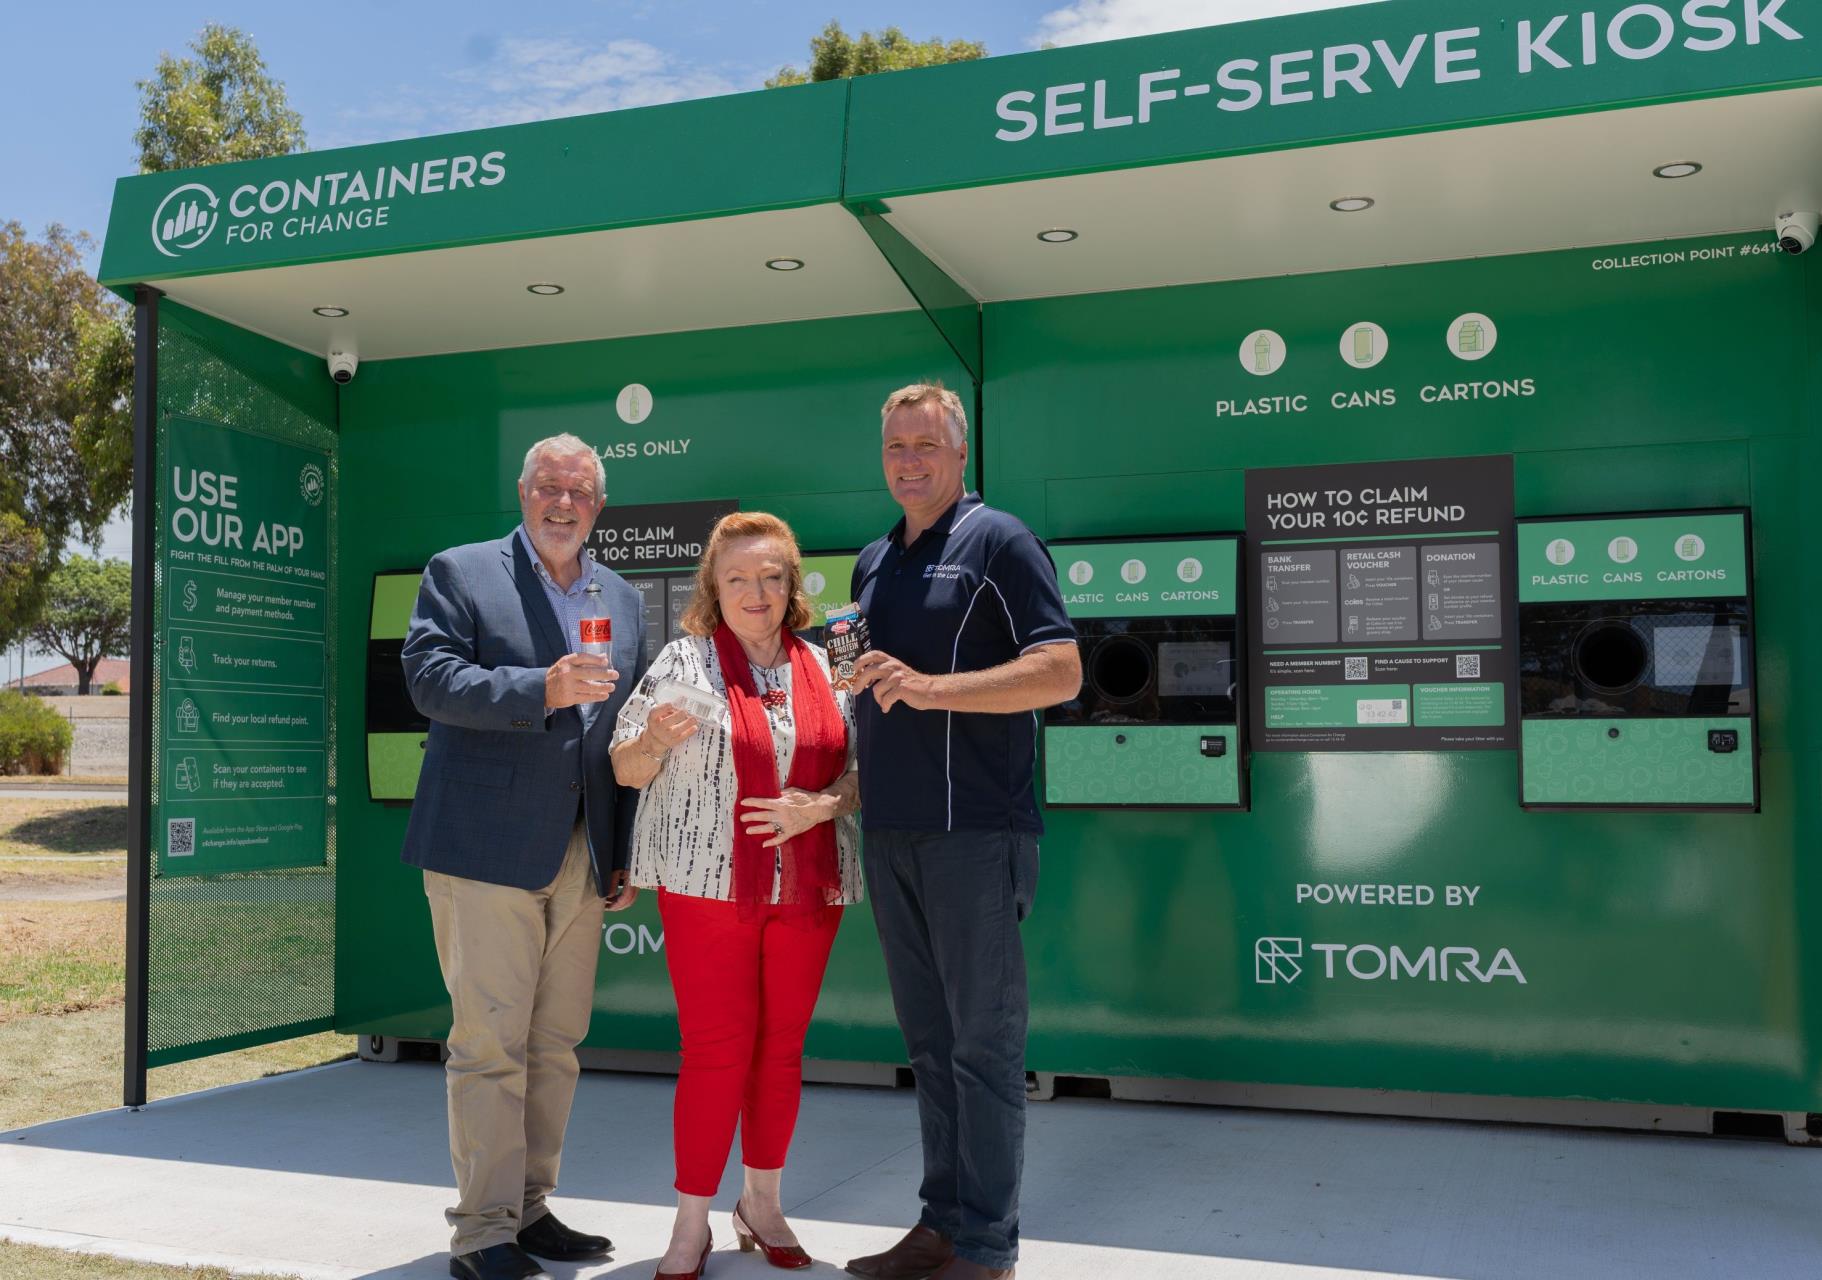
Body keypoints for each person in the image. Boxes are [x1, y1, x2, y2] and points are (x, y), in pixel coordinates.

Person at [844, 384, 1081, 1280]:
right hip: (894, 831)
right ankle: (940, 1224)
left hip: (976, 833)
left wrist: (936, 688)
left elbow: (1060, 671)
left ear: (960, 452)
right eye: (895, 446)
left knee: (985, 1049)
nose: (909, 460)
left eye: (926, 445)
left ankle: (988, 1245)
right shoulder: (874, 561)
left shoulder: (1001, 541)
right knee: (930, 1047)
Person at [401, 432, 646, 1280]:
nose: (563, 501)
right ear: (523, 493)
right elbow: (428, 679)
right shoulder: (461, 572)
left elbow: (625, 729)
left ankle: (530, 1209)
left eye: (580, 489)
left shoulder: (620, 594)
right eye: (549, 485)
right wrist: (539, 686)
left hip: (583, 855)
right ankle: (481, 1232)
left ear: (599, 505)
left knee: (554, 1045)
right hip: (484, 848)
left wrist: (625, 847)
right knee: (489, 1044)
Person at [611, 511, 862, 1280]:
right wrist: (655, 738)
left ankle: (762, 1202)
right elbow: (625, 766)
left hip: (809, 884)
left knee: (780, 1053)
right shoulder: (681, 663)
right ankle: (691, 1222)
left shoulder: (828, 669)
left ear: (793, 586)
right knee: (717, 1054)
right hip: (705, 888)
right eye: (737, 578)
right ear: (712, 590)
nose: (755, 592)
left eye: (771, 576)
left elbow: (867, 774)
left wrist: (819, 805)